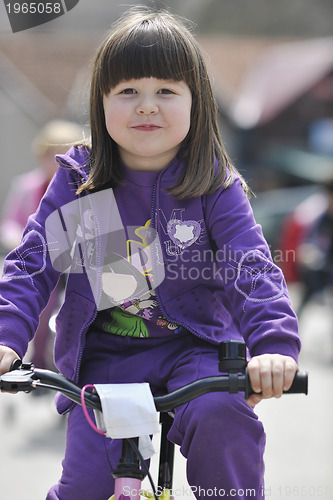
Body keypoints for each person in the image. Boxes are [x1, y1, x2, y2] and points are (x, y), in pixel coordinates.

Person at [0, 8, 300, 500]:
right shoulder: (81, 181)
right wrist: (7, 338)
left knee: (222, 418)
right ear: (100, 102)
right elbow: (34, 262)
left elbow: (250, 265)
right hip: (108, 359)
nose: (146, 106)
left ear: (195, 102)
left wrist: (272, 345)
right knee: (85, 488)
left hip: (198, 350)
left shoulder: (213, 185)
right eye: (127, 92)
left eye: (166, 91)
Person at [0, 120, 83, 369]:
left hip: (74, 261)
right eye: (52, 153)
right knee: (40, 304)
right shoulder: (26, 187)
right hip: (43, 256)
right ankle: (37, 361)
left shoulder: (84, 186)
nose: (57, 160)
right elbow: (10, 222)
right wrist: (17, 237)